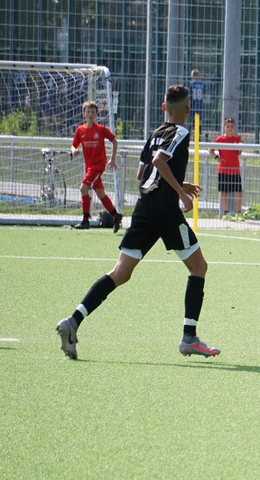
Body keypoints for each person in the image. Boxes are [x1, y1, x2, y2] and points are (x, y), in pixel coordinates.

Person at [55, 85, 219, 360]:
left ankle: (73, 321)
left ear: (164, 107)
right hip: (165, 212)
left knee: (120, 273)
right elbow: (159, 162)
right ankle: (189, 337)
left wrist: (179, 184)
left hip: (144, 209)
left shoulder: (155, 133)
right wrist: (180, 194)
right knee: (199, 267)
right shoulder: (180, 132)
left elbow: (143, 172)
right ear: (188, 110)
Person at [70, 100, 123, 232]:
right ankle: (116, 216)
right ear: (83, 114)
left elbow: (114, 141)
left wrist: (112, 159)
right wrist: (74, 150)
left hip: (98, 165)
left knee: (83, 188)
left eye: (93, 112)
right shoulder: (80, 130)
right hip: (89, 166)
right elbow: (73, 145)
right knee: (100, 192)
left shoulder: (100, 129)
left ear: (96, 114)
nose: (90, 114)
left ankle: (85, 220)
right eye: (88, 112)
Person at [209, 116, 243, 219]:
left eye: (231, 126)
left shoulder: (237, 139)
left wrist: (241, 147)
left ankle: (238, 213)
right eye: (228, 126)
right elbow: (211, 149)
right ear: (224, 127)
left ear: (234, 127)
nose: (229, 128)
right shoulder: (220, 139)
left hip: (235, 170)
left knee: (238, 192)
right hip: (223, 170)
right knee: (224, 192)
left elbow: (239, 153)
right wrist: (217, 158)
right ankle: (226, 213)